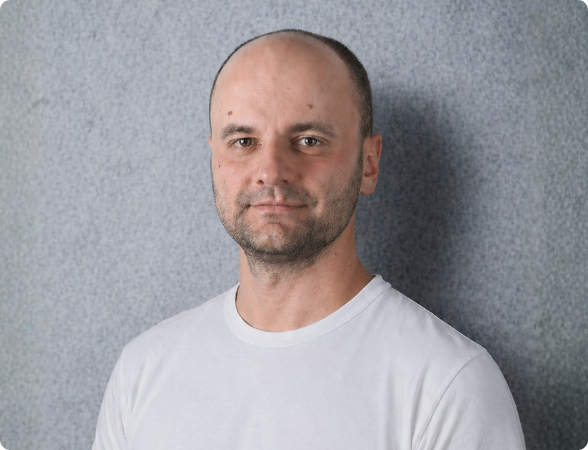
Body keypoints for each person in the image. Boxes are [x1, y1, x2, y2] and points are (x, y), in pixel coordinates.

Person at [93, 29, 526, 449]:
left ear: (369, 163)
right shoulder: (141, 372)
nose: (271, 171)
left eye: (308, 140)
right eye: (243, 141)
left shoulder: (448, 387)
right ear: (214, 156)